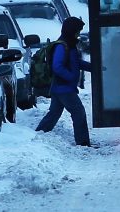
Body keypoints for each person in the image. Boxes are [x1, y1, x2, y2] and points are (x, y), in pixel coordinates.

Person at [36, 16, 92, 146]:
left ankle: (38, 135)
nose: (78, 34)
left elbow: (76, 63)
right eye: (77, 31)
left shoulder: (69, 45)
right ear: (71, 31)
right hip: (64, 88)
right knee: (78, 112)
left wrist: (94, 68)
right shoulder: (63, 46)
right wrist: (71, 77)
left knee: (54, 113)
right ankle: (82, 143)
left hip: (59, 87)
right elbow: (57, 66)